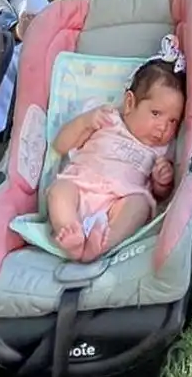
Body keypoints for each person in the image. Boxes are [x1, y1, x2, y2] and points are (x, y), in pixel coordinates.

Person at [46, 57, 184, 261]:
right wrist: (85, 122)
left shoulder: (162, 150)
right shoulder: (105, 117)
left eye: (173, 121)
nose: (163, 127)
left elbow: (160, 196)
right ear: (129, 103)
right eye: (156, 113)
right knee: (59, 191)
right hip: (82, 186)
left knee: (140, 205)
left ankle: (103, 243)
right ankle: (71, 231)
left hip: (121, 201)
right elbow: (60, 145)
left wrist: (161, 182)